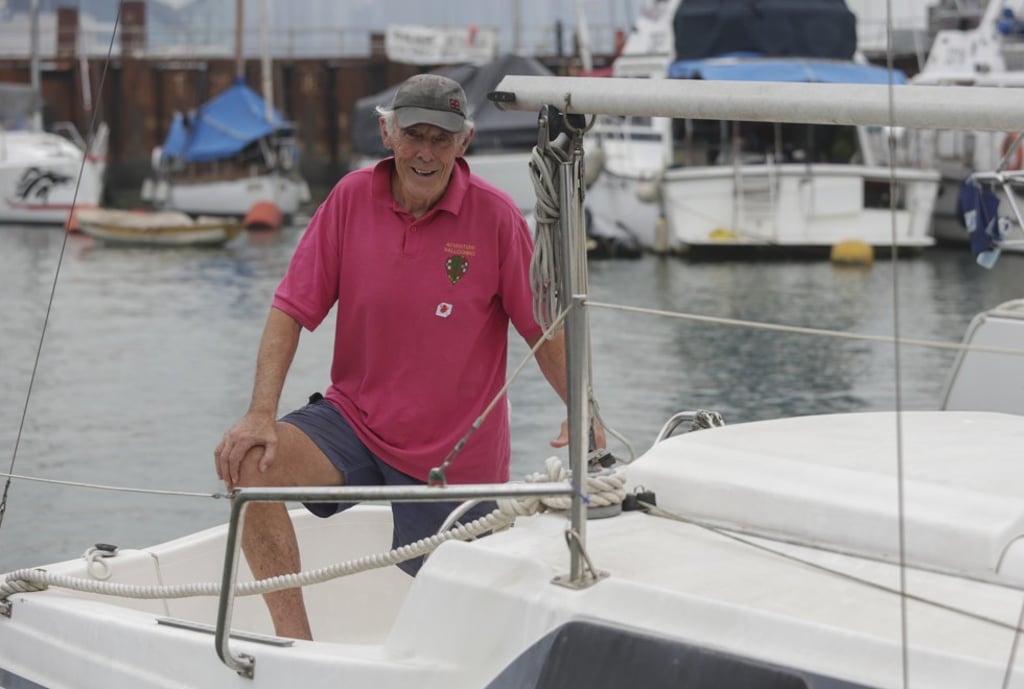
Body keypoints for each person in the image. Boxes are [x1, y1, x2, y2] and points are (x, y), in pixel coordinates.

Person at [214, 73, 593, 640]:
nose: (425, 152)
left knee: (465, 625)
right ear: (387, 134)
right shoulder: (349, 198)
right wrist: (260, 413)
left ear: (463, 144)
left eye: (441, 138)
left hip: (455, 454)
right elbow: (290, 308)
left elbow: (544, 328)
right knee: (249, 465)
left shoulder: (494, 216)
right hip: (357, 421)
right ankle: (295, 649)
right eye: (413, 134)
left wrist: (582, 408)